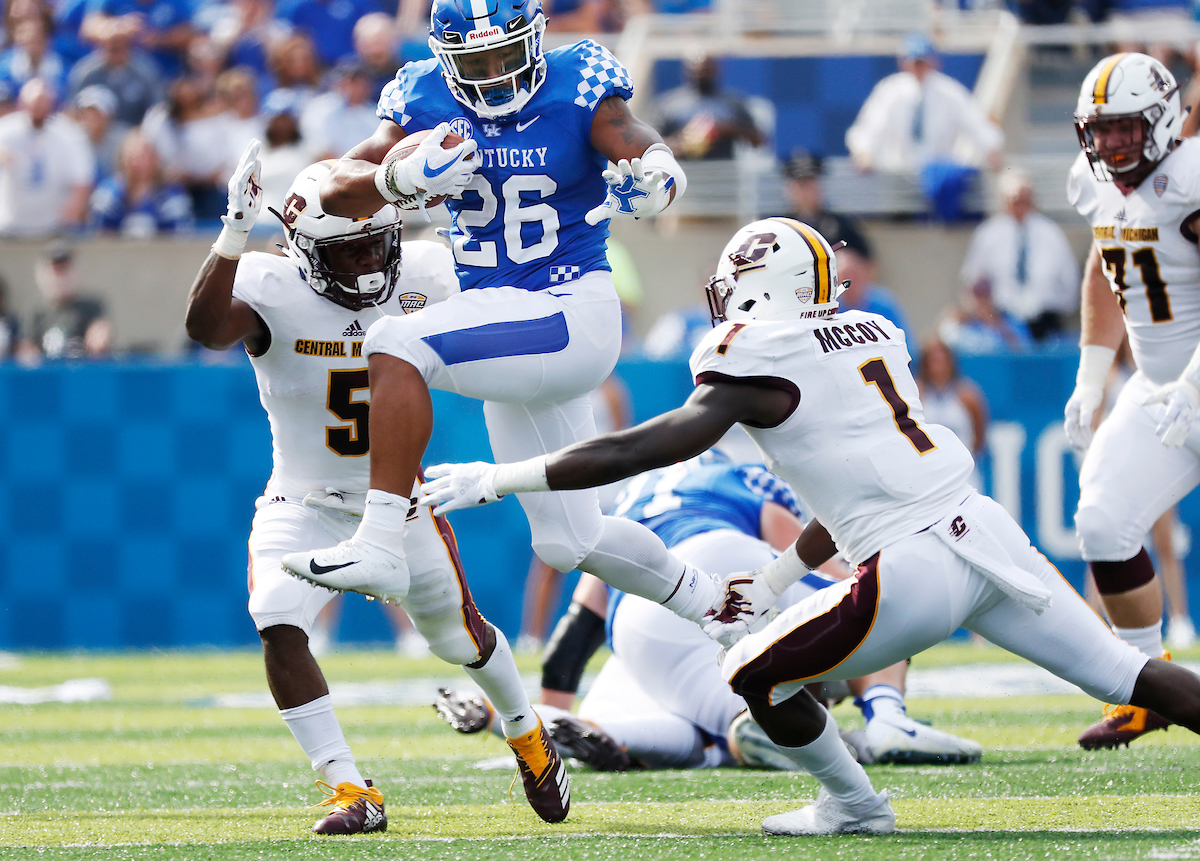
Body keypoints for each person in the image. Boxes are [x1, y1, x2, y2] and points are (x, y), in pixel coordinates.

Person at [418, 216, 1200, 836]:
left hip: (910, 567)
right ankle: (874, 750)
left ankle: (855, 804)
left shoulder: (755, 353)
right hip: (985, 534)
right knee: (1128, 674)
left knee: (753, 676)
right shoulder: (875, 333)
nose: (723, 300)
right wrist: (775, 578)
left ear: (759, 290)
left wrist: (500, 477)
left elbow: (643, 445)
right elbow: (854, 484)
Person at [280, 0, 700, 824]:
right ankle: (716, 600)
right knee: (569, 538)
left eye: (501, 55)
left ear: (535, 40)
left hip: (572, 309)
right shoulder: (420, 97)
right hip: (511, 326)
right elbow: (330, 188)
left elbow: (631, 138)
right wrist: (391, 180)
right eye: (468, 63)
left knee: (399, 343)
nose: (487, 76)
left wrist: (659, 171)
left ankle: (375, 538)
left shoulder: (581, 79)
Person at [184, 146, 568, 831]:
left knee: (462, 640)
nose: (366, 264)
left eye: (374, 245)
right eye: (347, 252)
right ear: (303, 251)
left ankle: (527, 733)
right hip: (299, 498)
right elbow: (204, 328)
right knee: (276, 618)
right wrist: (232, 235)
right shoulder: (272, 286)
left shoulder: (424, 271)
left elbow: (515, 295)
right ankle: (350, 788)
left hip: (396, 506)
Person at [439, 451, 982, 771]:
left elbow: (574, 639)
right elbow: (818, 566)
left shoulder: (632, 500)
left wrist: (549, 699)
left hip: (640, 625)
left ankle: (540, 727)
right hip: (728, 569)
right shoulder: (745, 480)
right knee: (870, 596)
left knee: (699, 731)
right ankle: (887, 717)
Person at [1063, 51, 1200, 750]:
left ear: (1165, 121)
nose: (1111, 144)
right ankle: (1147, 684)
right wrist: (1092, 375)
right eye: (1101, 130)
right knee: (1102, 519)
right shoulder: (1094, 186)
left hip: (1192, 382)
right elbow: (1104, 262)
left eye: (1124, 129)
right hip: (1157, 386)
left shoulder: (1192, 179)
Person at [845, 33, 1003, 222]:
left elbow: (976, 124)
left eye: (922, 62)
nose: (918, 68)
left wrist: (990, 148)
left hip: (937, 181)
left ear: (933, 62)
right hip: (900, 179)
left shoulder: (949, 91)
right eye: (913, 62)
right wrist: (863, 151)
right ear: (903, 63)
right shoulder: (890, 91)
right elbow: (869, 126)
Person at [960, 167, 1080, 342]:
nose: (1020, 206)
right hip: (1002, 324)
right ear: (1004, 201)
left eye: (1024, 199)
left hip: (1045, 323)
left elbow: (1070, 283)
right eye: (1015, 200)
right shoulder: (987, 234)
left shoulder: (1051, 234)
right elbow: (972, 279)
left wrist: (1050, 306)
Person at [0, 78, 94, 236]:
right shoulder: (6, 130)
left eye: (43, 103)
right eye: (34, 103)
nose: (39, 108)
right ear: (22, 104)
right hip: (10, 225)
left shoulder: (68, 135)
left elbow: (82, 180)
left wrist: (71, 212)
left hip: (54, 227)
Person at [647, 52, 763, 161]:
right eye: (696, 66)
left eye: (706, 67)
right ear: (686, 69)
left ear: (716, 69)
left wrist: (725, 129)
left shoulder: (732, 102)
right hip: (682, 174)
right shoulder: (669, 104)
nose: (701, 71)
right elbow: (652, 144)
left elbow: (758, 139)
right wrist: (683, 143)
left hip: (724, 174)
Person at [89, 127, 194, 235]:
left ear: (156, 159)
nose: (138, 162)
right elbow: (100, 237)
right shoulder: (107, 193)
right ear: (122, 158)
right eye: (133, 156)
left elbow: (180, 239)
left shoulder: (172, 196)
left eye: (144, 156)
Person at [915, 336, 989, 488]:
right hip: (927, 475)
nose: (938, 366)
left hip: (964, 474)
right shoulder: (916, 394)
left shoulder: (967, 396)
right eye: (933, 360)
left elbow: (979, 435)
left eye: (941, 360)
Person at [20, 241, 112, 359]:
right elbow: (27, 349)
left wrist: (100, 338)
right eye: (56, 270)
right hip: (48, 374)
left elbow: (100, 337)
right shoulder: (36, 311)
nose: (60, 277)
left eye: (64, 269)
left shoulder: (92, 306)